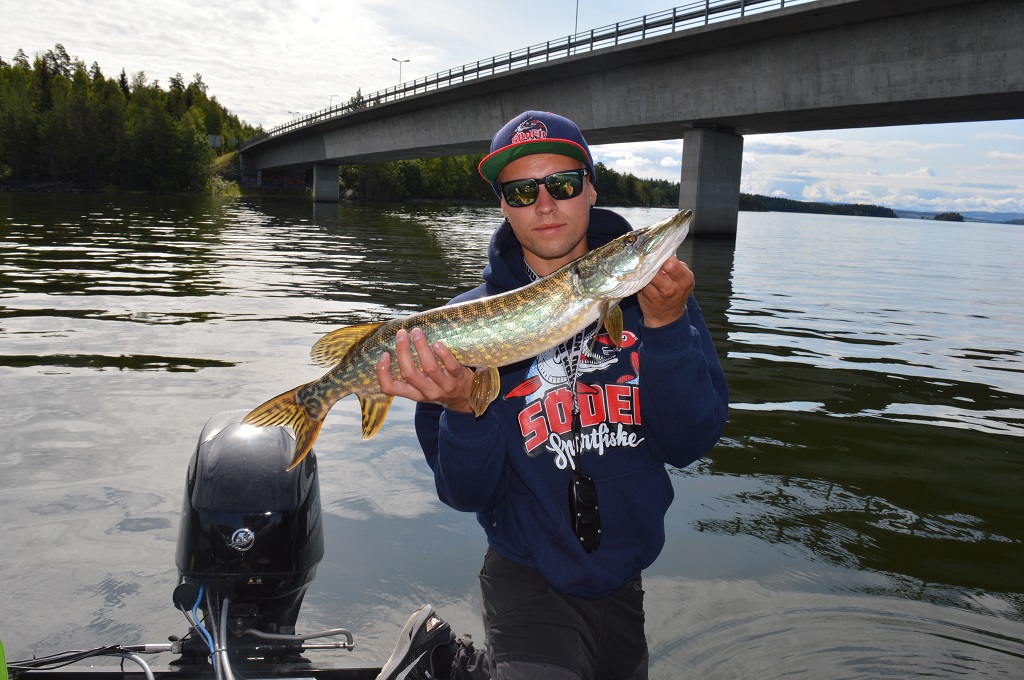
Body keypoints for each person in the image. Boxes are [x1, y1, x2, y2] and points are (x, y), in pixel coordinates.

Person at [373, 110, 729, 679]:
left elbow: (689, 443)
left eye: (562, 184)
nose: (544, 204)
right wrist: (463, 409)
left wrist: (666, 329)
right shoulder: (456, 329)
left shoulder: (659, 304)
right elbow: (466, 493)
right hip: (525, 579)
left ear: (590, 188)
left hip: (625, 579)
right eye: (521, 191)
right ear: (503, 205)